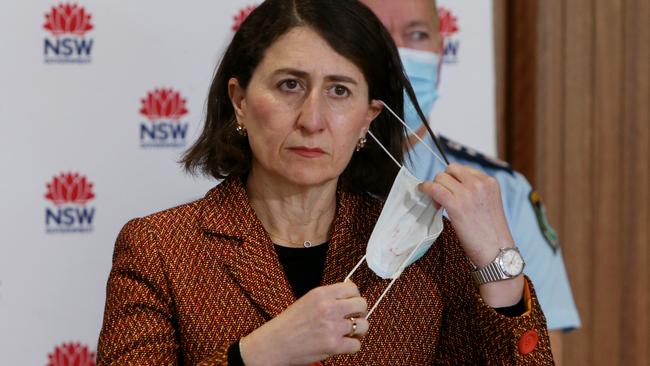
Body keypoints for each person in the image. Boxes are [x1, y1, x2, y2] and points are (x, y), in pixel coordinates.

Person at [97, 0, 553, 364]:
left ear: (367, 120)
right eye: (290, 85)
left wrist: (499, 267)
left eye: (339, 91)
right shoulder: (159, 248)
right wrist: (255, 356)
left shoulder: (425, 249)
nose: (312, 120)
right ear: (239, 101)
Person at [360, 0, 581, 350]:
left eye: (417, 34)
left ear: (440, 57)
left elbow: (538, 350)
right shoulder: (301, 179)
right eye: (374, 33)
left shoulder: (502, 192)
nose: (398, 54)